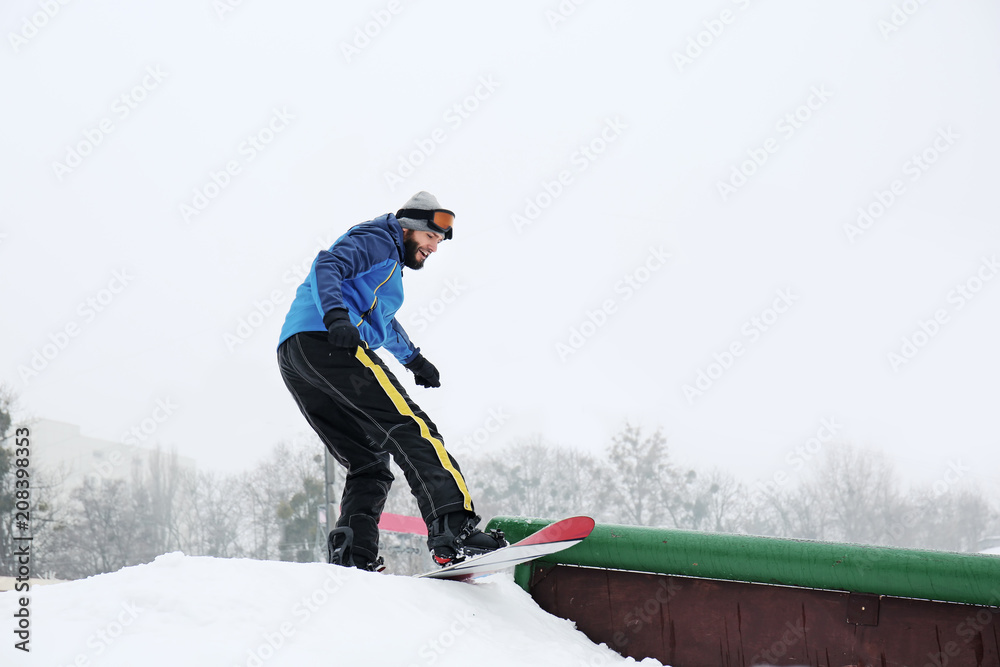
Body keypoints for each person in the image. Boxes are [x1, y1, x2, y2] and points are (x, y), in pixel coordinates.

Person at [276, 191, 506, 571]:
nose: (433, 248)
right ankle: (453, 528)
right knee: (410, 426)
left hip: (296, 354)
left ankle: (354, 556)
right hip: (327, 341)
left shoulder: (386, 270)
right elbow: (327, 265)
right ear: (409, 227)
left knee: (368, 461)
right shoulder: (380, 239)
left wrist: (414, 360)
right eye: (431, 238)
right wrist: (336, 317)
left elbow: (381, 320)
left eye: (438, 242)